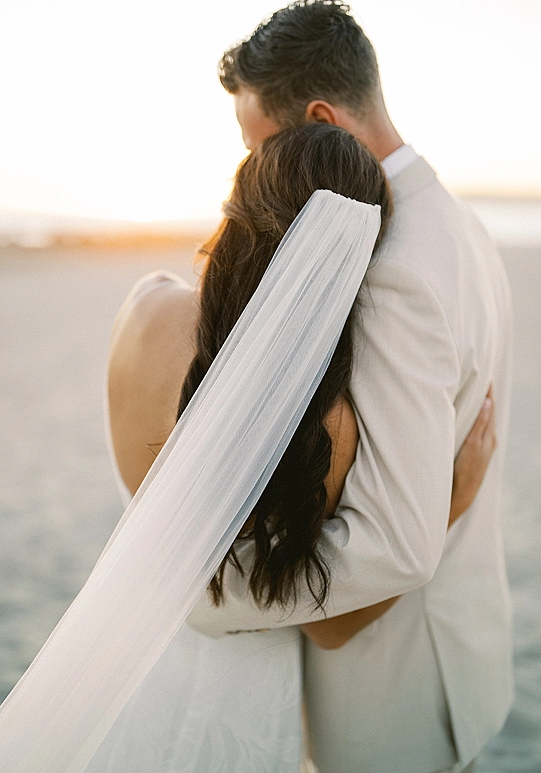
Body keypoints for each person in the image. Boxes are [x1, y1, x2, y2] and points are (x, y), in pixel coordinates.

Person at [99, 124, 495, 773]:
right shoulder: (319, 420)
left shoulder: (143, 304)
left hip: (126, 666)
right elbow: (329, 623)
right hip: (237, 703)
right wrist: (449, 503)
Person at [187, 3, 514, 773]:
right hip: (463, 650)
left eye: (253, 143)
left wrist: (203, 596)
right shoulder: (458, 221)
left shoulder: (390, 264)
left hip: (390, 694)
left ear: (321, 120)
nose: (249, 168)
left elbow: (396, 542)